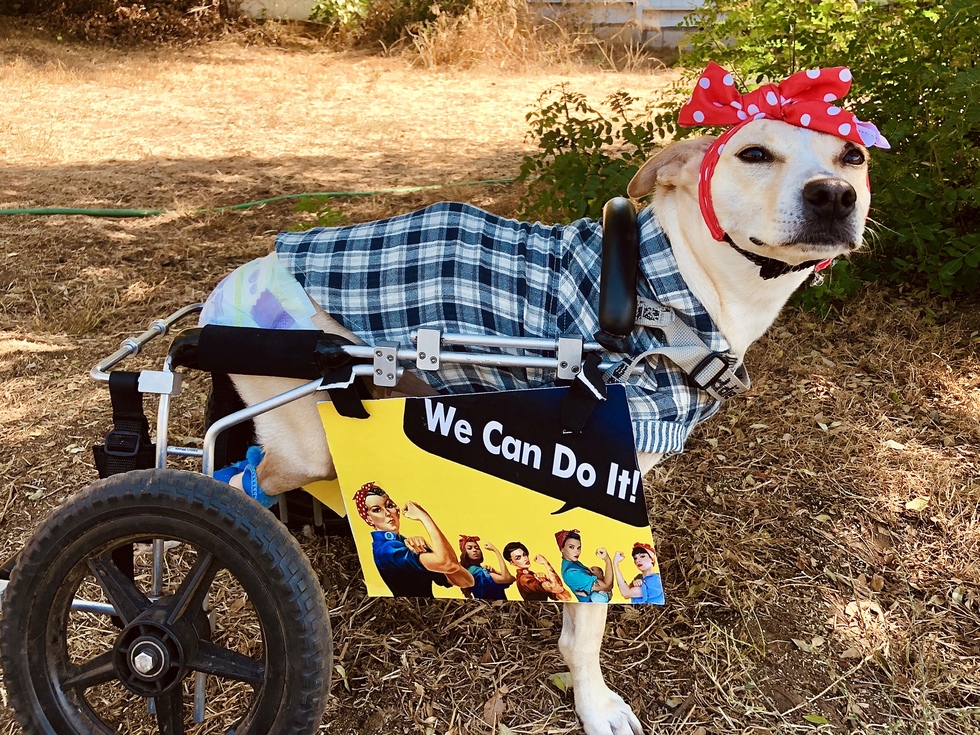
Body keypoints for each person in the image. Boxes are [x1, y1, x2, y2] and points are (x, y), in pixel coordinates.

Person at [353, 482, 474, 597]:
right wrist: (424, 517)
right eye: (376, 510)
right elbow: (449, 564)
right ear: (368, 519)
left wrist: (430, 550)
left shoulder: (402, 542)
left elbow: (466, 581)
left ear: (397, 510)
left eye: (389, 506)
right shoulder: (386, 549)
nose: (387, 513)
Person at [502, 541, 573, 602]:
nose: (524, 559)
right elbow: (557, 588)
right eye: (518, 558)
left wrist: (545, 581)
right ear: (512, 563)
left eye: (524, 555)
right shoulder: (524, 579)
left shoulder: (532, 575)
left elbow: (566, 596)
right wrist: (546, 563)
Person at [556, 529, 613, 603]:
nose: (577, 551)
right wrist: (607, 560)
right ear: (562, 549)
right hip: (591, 610)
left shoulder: (573, 563)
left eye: (578, 548)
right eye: (571, 547)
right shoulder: (571, 573)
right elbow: (607, 586)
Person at [458, 535, 515, 601]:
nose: (474, 550)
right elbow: (507, 579)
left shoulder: (476, 570)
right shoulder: (477, 571)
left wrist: (495, 571)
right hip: (493, 607)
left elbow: (512, 579)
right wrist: (495, 550)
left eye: (477, 548)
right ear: (465, 553)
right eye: (469, 548)